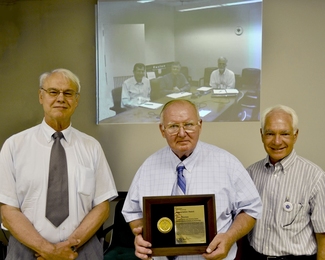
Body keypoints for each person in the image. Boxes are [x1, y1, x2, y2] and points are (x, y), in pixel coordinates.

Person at [122, 99, 262, 260]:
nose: (182, 133)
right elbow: (133, 211)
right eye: (173, 126)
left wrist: (229, 238)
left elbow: (250, 208)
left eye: (188, 124)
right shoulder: (148, 167)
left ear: (200, 125)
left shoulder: (227, 163)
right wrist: (143, 236)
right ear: (162, 130)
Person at [0, 68, 118, 260]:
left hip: (81, 250)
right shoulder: (14, 145)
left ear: (76, 100)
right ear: (41, 96)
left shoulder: (91, 147)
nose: (61, 98)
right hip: (27, 251)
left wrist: (69, 246)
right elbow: (8, 210)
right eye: (53, 92)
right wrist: (48, 250)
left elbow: (102, 207)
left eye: (68, 93)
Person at [245, 104, 325, 260]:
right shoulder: (251, 173)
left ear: (295, 135)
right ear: (261, 135)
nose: (276, 141)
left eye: (284, 134)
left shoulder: (316, 177)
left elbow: (323, 236)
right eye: (270, 133)